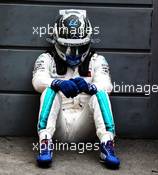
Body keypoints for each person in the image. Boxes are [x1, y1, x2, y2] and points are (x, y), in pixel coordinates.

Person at [32, 9, 120, 169]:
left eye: (80, 48)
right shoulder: (46, 58)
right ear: (56, 41)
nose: (73, 54)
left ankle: (107, 145)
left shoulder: (97, 60)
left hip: (84, 127)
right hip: (57, 128)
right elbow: (37, 81)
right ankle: (45, 143)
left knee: (100, 94)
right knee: (48, 91)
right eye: (67, 47)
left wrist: (90, 87)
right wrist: (56, 83)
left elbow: (107, 85)